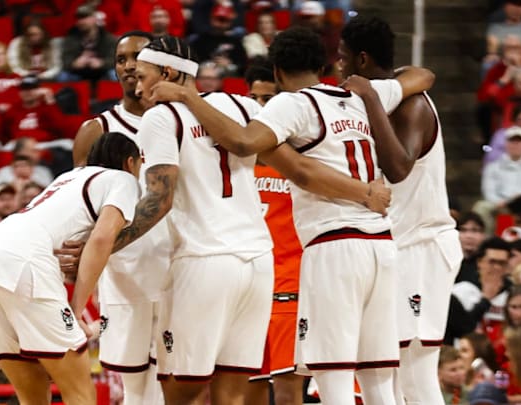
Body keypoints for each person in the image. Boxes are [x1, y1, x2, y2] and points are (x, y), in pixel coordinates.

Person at [147, 27, 434, 404]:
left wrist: (189, 96)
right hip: (382, 244)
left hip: (335, 245)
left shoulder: (292, 104)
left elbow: (244, 142)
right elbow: (423, 76)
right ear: (324, 63)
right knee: (379, 380)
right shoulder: (362, 94)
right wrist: (367, 86)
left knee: (334, 380)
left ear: (278, 72)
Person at [0, 132, 143, 404]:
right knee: (79, 390)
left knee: (32, 395)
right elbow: (102, 239)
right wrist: (76, 310)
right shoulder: (123, 180)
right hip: (23, 261)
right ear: (130, 163)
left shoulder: (67, 177)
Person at [337, 15, 464, 405]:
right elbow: (420, 72)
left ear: (360, 60)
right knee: (383, 372)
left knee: (416, 376)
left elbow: (399, 167)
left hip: (423, 248)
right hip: (397, 246)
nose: (339, 68)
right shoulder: (391, 91)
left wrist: (371, 98)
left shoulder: (412, 108)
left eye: (343, 59)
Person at [72, 30, 167, 405]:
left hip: (177, 261)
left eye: (137, 56)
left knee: (173, 376)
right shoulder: (97, 130)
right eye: (121, 59)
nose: (129, 65)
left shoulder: (181, 122)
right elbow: (79, 206)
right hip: (125, 267)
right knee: (132, 383)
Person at [244, 62, 304, 405]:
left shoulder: (302, 155)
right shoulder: (238, 156)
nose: (260, 107)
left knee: (286, 392)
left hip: (289, 285)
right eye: (254, 98)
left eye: (268, 98)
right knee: (246, 390)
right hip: (248, 287)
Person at [59, 5, 117, 82]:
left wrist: (101, 63)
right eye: (78, 18)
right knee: (63, 76)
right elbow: (65, 61)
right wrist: (74, 63)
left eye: (85, 17)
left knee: (114, 74)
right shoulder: (71, 39)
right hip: (78, 72)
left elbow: (115, 60)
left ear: (95, 19)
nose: (81, 21)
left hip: (102, 71)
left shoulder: (108, 38)